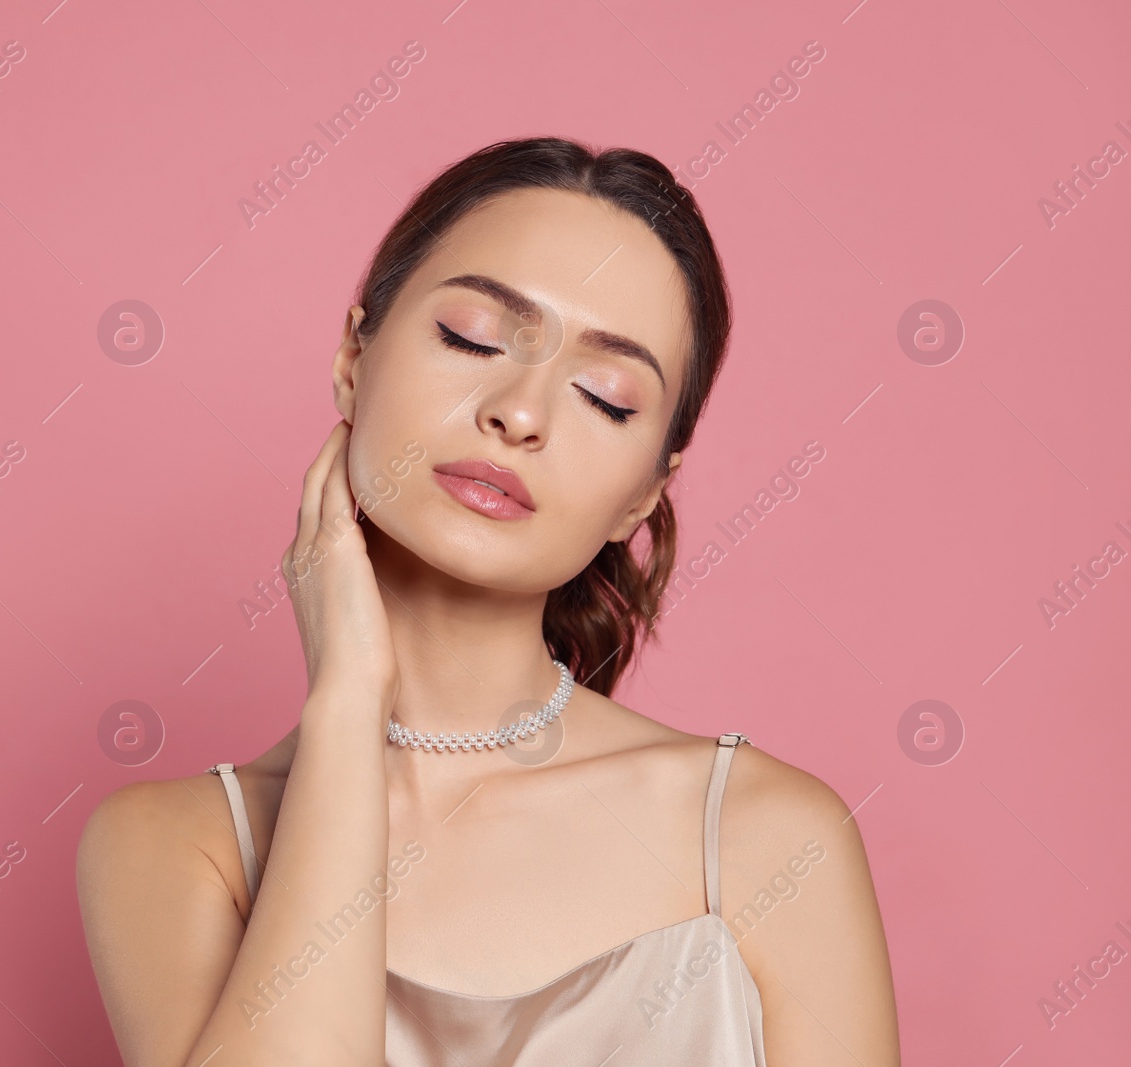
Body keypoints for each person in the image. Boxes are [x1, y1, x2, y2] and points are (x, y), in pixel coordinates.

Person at [76, 137, 900, 1066]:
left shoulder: (769, 838)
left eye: (606, 395)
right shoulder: (176, 847)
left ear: (644, 494)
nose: (519, 411)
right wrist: (349, 704)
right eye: (472, 337)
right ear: (354, 355)